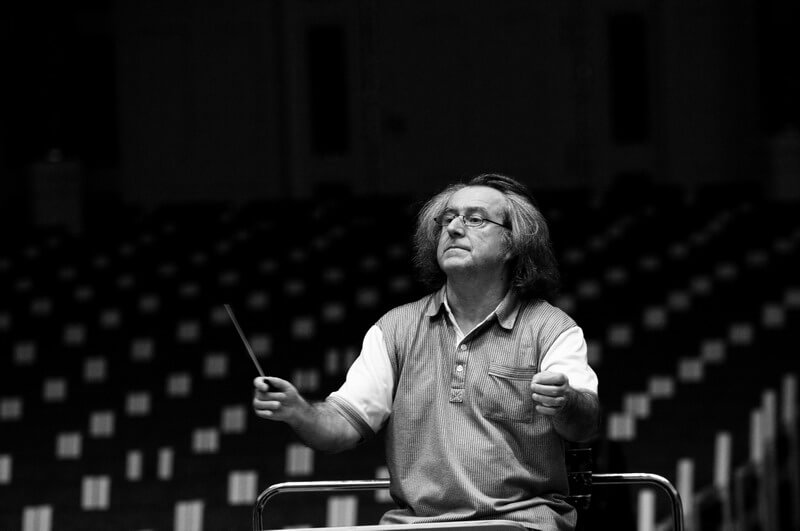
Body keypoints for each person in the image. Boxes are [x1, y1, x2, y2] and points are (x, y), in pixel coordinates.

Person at [253, 173, 599, 531]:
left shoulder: (552, 328)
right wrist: (299, 412)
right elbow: (340, 428)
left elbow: (585, 426)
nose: (454, 228)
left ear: (513, 243)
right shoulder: (395, 329)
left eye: (475, 219)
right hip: (414, 526)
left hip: (520, 522)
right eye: (447, 219)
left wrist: (565, 401)